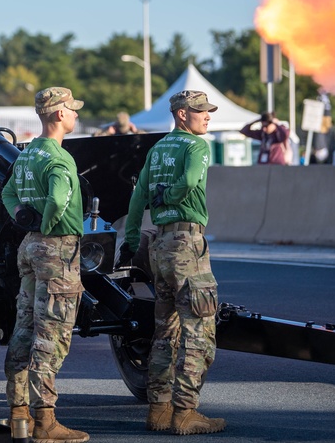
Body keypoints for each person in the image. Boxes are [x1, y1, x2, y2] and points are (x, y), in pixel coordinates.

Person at [118, 90, 226, 435]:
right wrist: (173, 194)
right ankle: (186, 412)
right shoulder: (196, 147)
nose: (207, 116)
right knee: (201, 329)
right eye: (200, 111)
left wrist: (131, 241)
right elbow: (191, 180)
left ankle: (159, 410)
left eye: (208, 111)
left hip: (160, 245)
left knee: (165, 331)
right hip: (186, 243)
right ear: (182, 115)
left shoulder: (158, 148)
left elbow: (137, 198)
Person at [1, 87, 89, 443]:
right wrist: (49, 226)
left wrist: (24, 217)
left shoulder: (27, 153)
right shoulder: (59, 158)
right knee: (51, 335)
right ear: (57, 115)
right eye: (72, 109)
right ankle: (45, 421)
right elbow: (57, 198)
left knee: (25, 328)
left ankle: (18, 413)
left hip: (29, 247)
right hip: (56, 249)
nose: (76, 115)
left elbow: (8, 194)